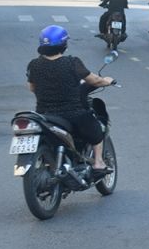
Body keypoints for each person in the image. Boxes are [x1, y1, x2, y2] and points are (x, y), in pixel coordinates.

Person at [25, 25, 113, 172]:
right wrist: (107, 81)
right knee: (97, 130)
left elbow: (32, 88)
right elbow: (95, 81)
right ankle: (98, 162)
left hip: (45, 115)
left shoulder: (34, 65)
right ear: (64, 44)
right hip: (73, 114)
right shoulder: (72, 62)